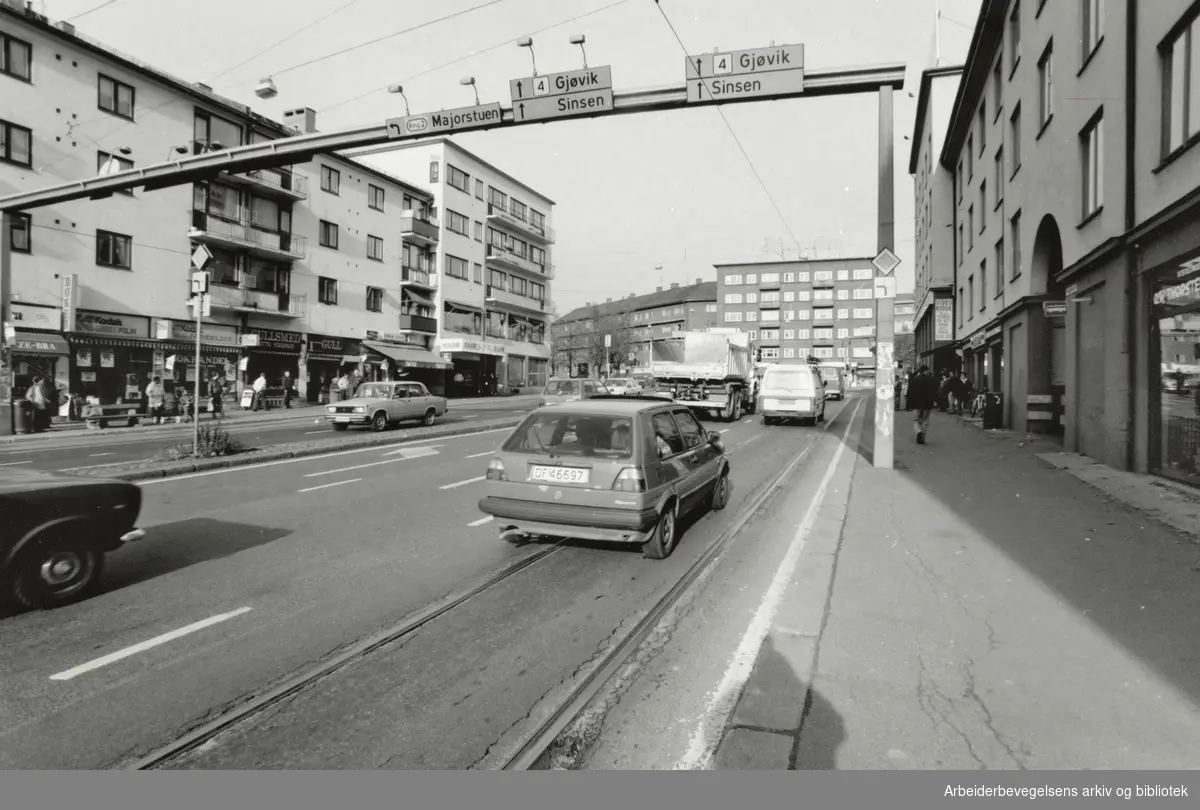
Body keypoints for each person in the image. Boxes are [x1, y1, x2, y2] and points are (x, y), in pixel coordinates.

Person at [907, 365, 939, 446]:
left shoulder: (914, 380)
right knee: (925, 420)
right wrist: (934, 401)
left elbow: (910, 392)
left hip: (916, 404)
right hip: (927, 404)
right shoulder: (930, 380)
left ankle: (919, 432)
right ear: (926, 371)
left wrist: (909, 404)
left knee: (916, 420)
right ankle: (923, 437)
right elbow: (934, 392)